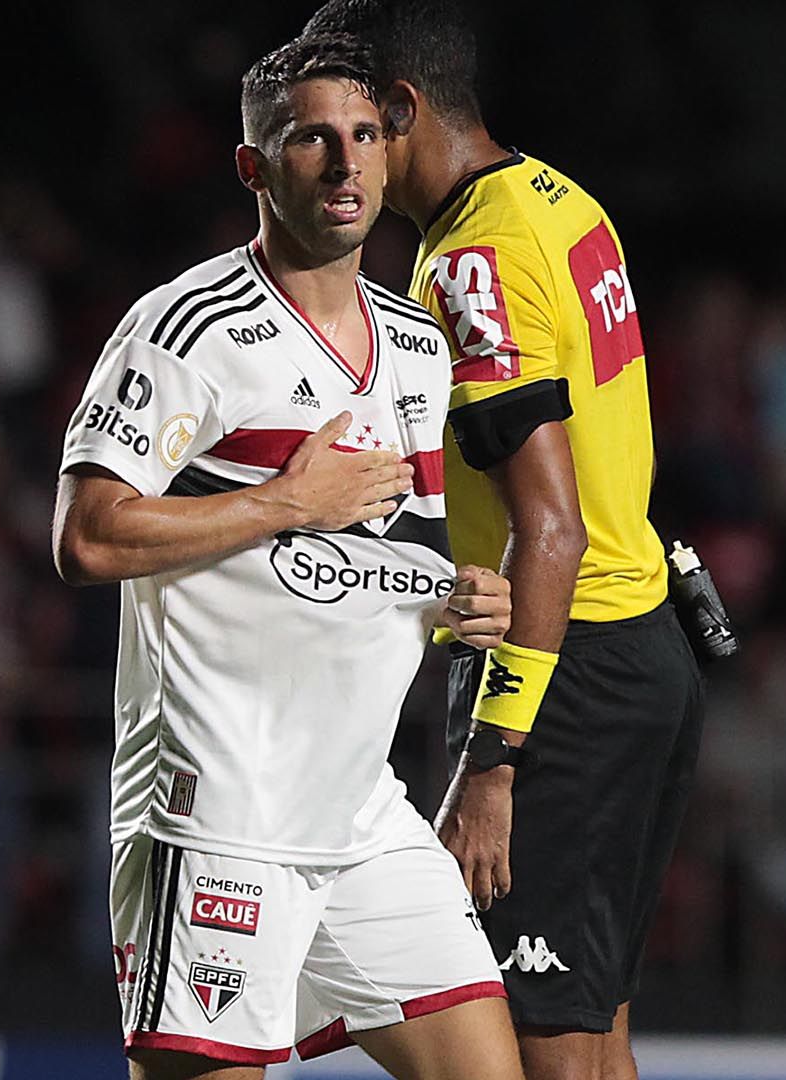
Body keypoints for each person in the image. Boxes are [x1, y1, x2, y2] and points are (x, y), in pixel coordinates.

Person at [52, 35, 525, 1080]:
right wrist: (282, 502)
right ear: (254, 167)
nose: (347, 163)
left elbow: (388, 548)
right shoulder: (184, 329)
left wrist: (456, 597)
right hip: (220, 806)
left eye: (364, 135)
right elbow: (87, 537)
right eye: (312, 138)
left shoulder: (415, 342)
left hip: (361, 809)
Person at [298, 5, 707, 1079]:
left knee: (542, 1059)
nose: (340, 160)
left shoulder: (472, 259)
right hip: (638, 649)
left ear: (403, 109)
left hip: (561, 676)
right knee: (595, 1038)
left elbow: (552, 526)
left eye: (351, 128)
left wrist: (493, 763)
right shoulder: (559, 201)